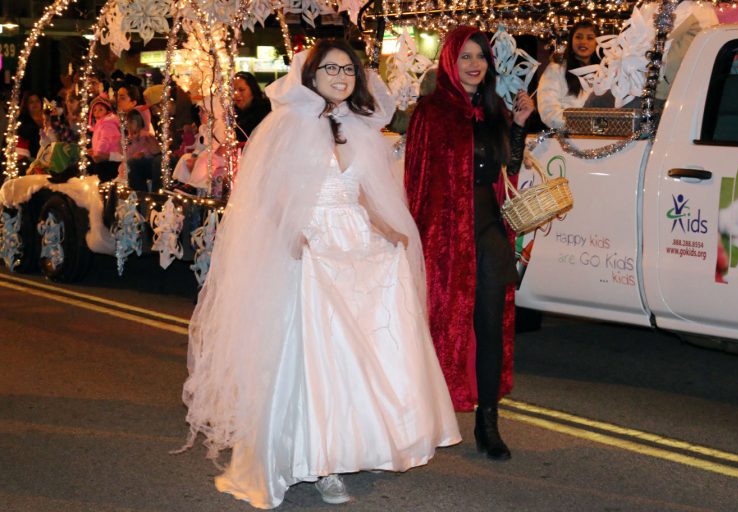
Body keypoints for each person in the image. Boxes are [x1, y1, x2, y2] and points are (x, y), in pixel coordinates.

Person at [178, 39, 460, 509]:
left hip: (354, 241)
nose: (341, 76)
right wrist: (290, 234)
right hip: (309, 243)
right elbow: (266, 193)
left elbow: (365, 192)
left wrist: (390, 230)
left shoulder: (361, 127)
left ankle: (342, 450)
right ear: (310, 74)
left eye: (348, 69)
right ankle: (314, 461)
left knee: (355, 352)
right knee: (312, 355)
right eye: (330, 68)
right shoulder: (288, 124)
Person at [404, 26, 534, 461]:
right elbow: (417, 181)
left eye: (481, 57)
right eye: (466, 56)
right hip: (443, 236)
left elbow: (507, 167)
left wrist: (517, 126)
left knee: (491, 326)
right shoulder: (430, 112)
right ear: (449, 61)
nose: (475, 64)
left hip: (489, 231)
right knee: (437, 326)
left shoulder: (495, 109)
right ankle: (422, 417)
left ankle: (487, 422)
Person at [537, 21, 599, 129]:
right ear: (571, 41)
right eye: (578, 37)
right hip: (565, 138)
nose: (583, 42)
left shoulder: (604, 72)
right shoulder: (556, 69)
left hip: (601, 137)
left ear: (597, 43)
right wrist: (582, 124)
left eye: (590, 38)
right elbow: (548, 111)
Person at [119, 109, 161, 185]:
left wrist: (142, 153)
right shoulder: (128, 140)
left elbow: (149, 149)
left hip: (142, 165)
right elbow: (126, 154)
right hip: (128, 168)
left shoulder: (146, 136)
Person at [87, 95, 122, 182]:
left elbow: (105, 140)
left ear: (107, 111)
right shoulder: (100, 124)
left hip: (110, 158)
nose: (97, 112)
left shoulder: (108, 124)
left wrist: (98, 152)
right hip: (105, 155)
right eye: (94, 110)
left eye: (100, 109)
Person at [233, 71, 270, 143]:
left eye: (241, 90)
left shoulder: (263, 113)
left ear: (252, 90)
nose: (236, 94)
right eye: (233, 90)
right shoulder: (232, 114)